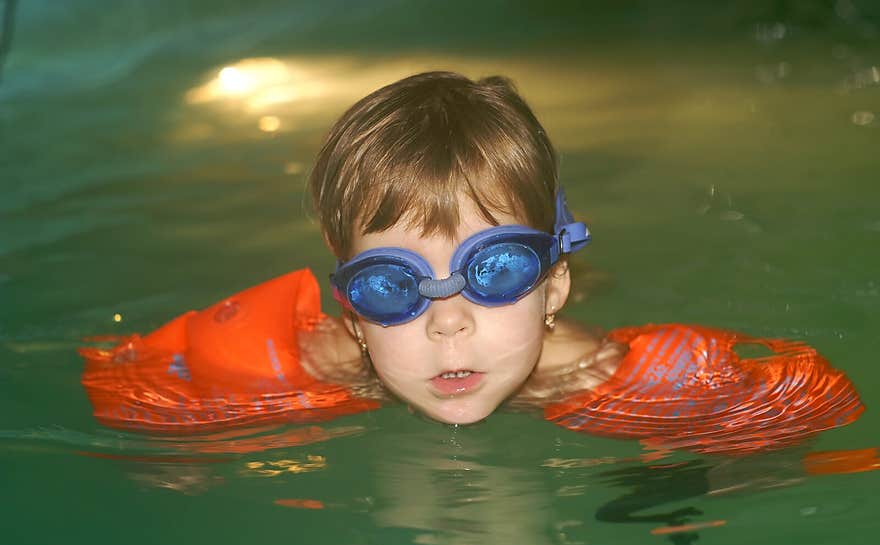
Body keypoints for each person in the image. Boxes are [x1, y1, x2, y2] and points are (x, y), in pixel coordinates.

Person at [80, 71, 864, 457]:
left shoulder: (606, 375)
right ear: (351, 310)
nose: (447, 320)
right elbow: (125, 388)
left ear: (552, 284)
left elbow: (814, 417)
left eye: (495, 273)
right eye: (393, 287)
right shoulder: (317, 362)